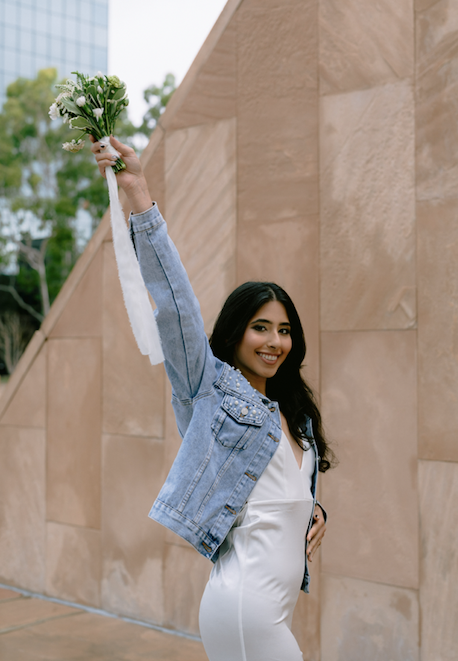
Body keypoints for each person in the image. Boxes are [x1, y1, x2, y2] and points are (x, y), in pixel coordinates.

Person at [91, 136, 333, 661]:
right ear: (235, 334)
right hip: (244, 610)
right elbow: (175, 305)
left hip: (273, 607)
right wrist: (138, 192)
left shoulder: (294, 417)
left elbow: (275, 496)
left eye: (285, 330)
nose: (274, 342)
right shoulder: (211, 390)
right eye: (260, 328)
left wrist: (314, 512)